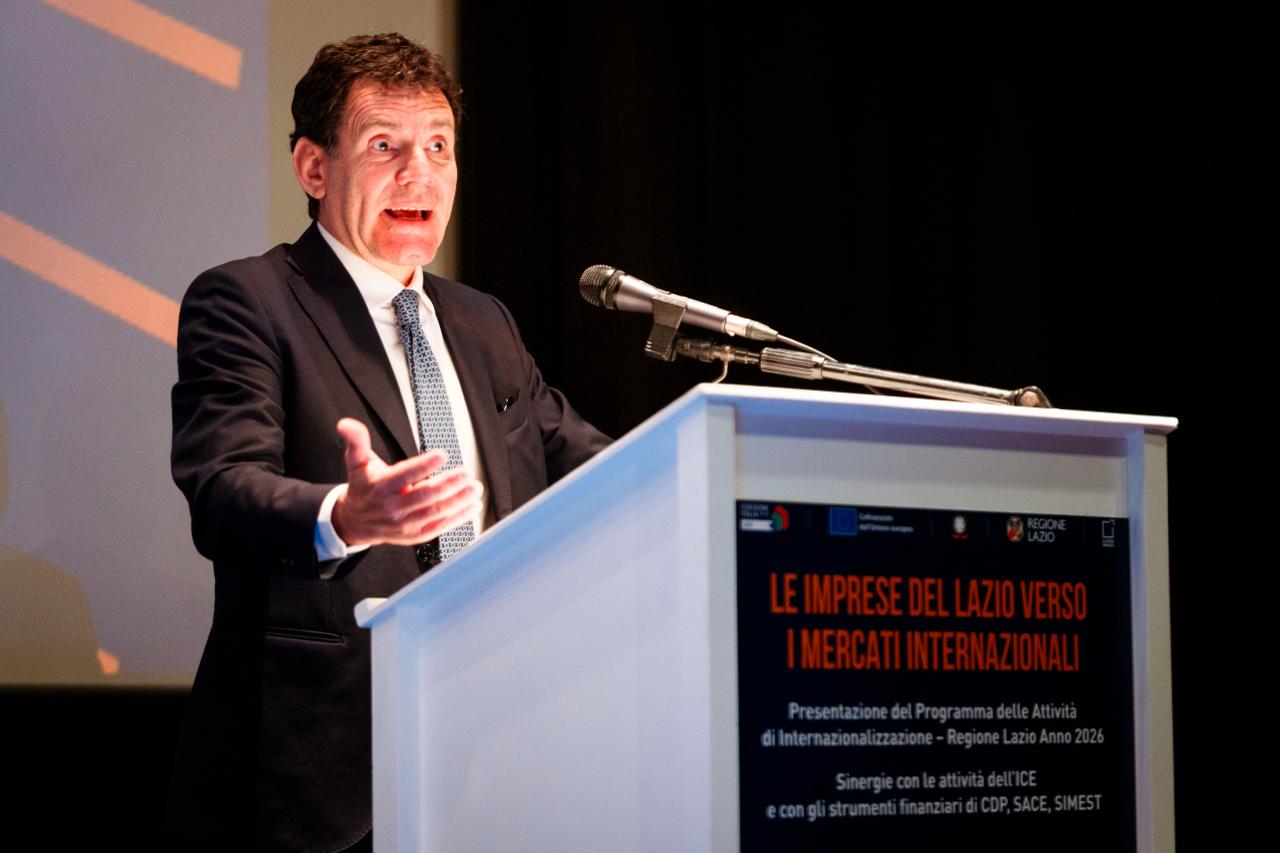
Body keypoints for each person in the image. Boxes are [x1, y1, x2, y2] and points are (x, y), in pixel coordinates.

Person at [167, 33, 609, 851]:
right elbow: (224, 489)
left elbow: (586, 463)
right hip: (321, 768)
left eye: (439, 146)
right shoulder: (249, 303)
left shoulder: (482, 322)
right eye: (384, 146)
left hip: (497, 748)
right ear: (314, 168)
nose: (420, 172)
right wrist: (346, 515)